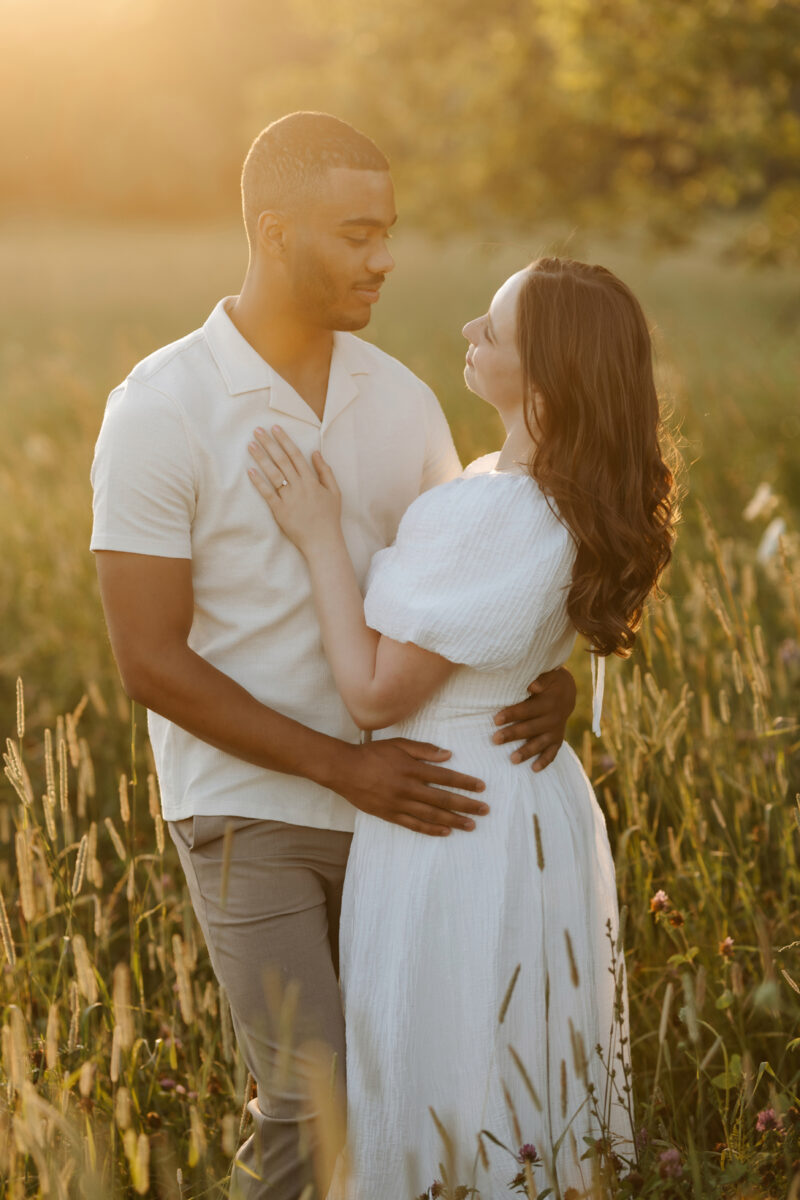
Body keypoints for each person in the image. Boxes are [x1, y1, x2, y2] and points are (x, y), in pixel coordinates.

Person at [89, 112, 578, 1200]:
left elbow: (473, 593)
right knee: (314, 1101)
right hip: (248, 807)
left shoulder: (401, 400)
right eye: (358, 234)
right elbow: (149, 662)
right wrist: (336, 763)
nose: (385, 259)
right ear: (273, 234)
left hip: (399, 809)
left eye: (388, 231)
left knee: (410, 1090)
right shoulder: (160, 408)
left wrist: (551, 685)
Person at [246, 256, 677, 1199]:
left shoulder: (488, 508)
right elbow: (511, 636)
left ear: (548, 377)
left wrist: (317, 533)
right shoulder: (559, 494)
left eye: (493, 327)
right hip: (527, 808)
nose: (469, 338)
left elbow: (371, 695)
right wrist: (551, 678)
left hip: (450, 815)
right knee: (521, 1079)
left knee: (440, 1070)